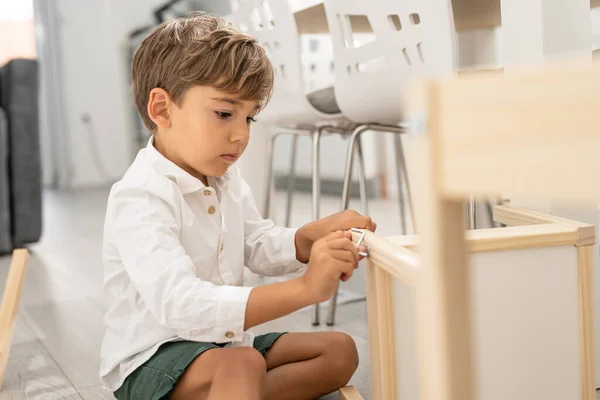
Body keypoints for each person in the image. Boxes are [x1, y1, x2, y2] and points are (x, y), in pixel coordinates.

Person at [99, 11, 377, 400]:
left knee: (339, 351)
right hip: (151, 361)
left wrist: (306, 239)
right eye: (225, 114)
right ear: (161, 109)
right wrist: (306, 288)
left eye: (250, 118)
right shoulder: (140, 196)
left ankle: (233, 392)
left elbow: (255, 243)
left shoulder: (224, 178)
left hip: (222, 346)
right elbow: (181, 305)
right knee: (243, 364)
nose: (241, 134)